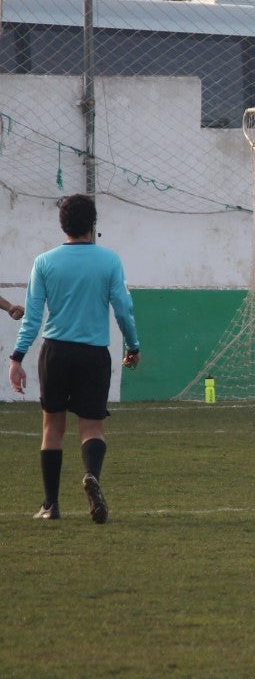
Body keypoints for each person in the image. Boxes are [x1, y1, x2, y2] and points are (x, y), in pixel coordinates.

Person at [10, 194, 140, 522]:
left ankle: (50, 505)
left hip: (55, 352)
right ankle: (91, 475)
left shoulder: (44, 262)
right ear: (92, 224)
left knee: (52, 427)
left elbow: (33, 318)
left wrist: (17, 356)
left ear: (62, 224)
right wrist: (132, 344)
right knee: (92, 428)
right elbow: (123, 309)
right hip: (94, 354)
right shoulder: (109, 261)